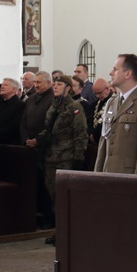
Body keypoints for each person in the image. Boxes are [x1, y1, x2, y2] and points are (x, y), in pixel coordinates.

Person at [34, 75, 87, 244]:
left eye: (59, 84)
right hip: (51, 156)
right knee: (54, 197)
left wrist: (78, 158)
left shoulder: (74, 107)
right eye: (55, 84)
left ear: (68, 88)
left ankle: (67, 234)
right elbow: (48, 129)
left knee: (64, 198)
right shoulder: (53, 106)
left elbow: (80, 134)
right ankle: (59, 232)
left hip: (66, 156)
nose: (55, 87)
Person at [95, 54, 137, 174]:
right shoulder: (112, 102)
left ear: (127, 74)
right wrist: (97, 174)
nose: (111, 73)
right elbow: (103, 144)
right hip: (107, 174)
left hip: (128, 176)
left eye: (115, 69)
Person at [21, 71, 55, 229]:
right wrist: (25, 139)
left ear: (48, 83)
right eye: (35, 82)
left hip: (45, 149)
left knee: (45, 186)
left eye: (39, 83)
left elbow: (50, 126)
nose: (36, 85)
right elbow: (23, 122)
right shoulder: (31, 99)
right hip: (29, 148)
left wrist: (37, 141)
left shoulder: (53, 100)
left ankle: (47, 218)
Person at [0, 78, 25, 145]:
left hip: (11, 143)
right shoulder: (0, 104)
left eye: (5, 85)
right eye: (2, 85)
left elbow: (15, 125)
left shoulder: (20, 105)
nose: (2, 87)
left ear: (14, 89)